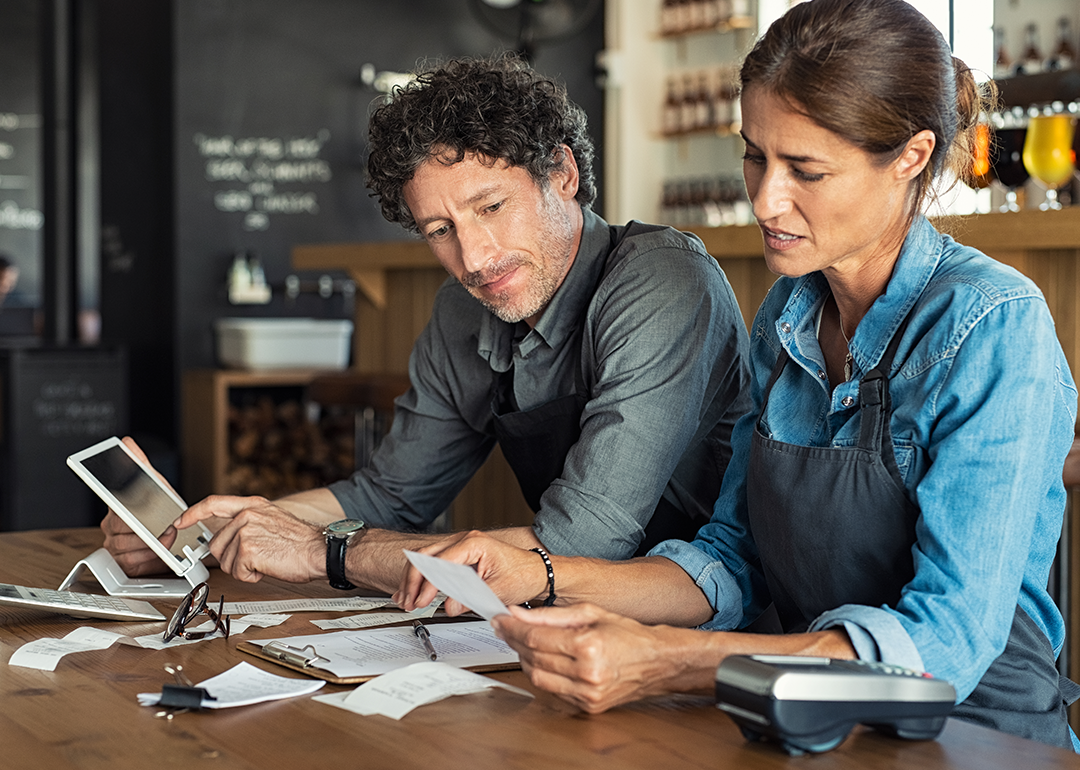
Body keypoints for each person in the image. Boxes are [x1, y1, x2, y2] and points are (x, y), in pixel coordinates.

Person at [395, 0, 1080, 750]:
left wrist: (672, 662)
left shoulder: (992, 323)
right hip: (803, 721)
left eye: (805, 169)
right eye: (755, 155)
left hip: (974, 739)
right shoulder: (788, 313)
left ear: (912, 156)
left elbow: (946, 642)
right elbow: (731, 559)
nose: (764, 199)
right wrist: (533, 572)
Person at [101, 55, 752, 595]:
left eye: (491, 207)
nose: (473, 259)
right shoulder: (462, 310)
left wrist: (325, 553)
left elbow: (575, 545)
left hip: (715, 622)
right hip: (575, 626)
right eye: (440, 231)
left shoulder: (661, 283)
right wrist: (203, 532)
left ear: (563, 174)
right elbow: (389, 495)